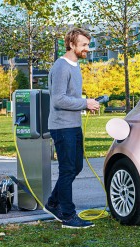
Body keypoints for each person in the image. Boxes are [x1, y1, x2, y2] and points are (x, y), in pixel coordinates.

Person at [43, 28, 100, 229]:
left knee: (76, 167)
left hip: (73, 124)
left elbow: (70, 98)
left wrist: (87, 104)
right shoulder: (61, 67)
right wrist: (85, 103)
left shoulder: (75, 66)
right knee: (67, 169)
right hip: (61, 127)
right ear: (71, 45)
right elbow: (58, 99)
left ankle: (52, 203)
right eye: (83, 45)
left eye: (88, 44)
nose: (87, 49)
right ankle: (68, 215)